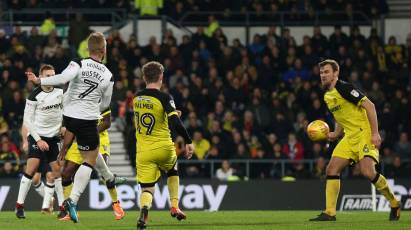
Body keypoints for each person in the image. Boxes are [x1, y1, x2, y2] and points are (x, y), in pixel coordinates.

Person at [26, 32, 114, 223]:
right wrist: (93, 108)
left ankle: (109, 176)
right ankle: (73, 200)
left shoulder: (78, 63)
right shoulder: (108, 74)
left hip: (69, 118)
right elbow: (106, 103)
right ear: (103, 50)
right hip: (88, 120)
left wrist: (40, 81)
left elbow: (64, 78)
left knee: (81, 159)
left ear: (89, 49)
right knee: (89, 160)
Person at [309, 59, 400, 221]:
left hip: (364, 133)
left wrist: (375, 133)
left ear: (336, 73)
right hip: (349, 136)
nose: (323, 75)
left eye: (327, 72)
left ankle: (393, 202)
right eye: (321, 72)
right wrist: (336, 134)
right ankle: (330, 213)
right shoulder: (327, 96)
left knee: (367, 172)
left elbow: (370, 106)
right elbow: (340, 118)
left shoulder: (344, 88)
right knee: (331, 169)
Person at [133, 61, 194, 230]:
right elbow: (175, 123)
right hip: (163, 148)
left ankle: (145, 209)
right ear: (161, 77)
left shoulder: (136, 98)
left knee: (147, 189)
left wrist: (169, 115)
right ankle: (174, 205)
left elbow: (149, 118)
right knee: (173, 169)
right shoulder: (165, 97)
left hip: (143, 151)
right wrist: (188, 141)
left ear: (144, 77)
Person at [16, 64, 65, 219]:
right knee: (31, 169)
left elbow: (68, 111)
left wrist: (64, 127)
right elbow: (27, 121)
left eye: (53, 75)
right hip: (38, 136)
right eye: (48, 76)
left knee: (57, 173)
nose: (51, 78)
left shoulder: (61, 92)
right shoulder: (33, 96)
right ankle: (19, 206)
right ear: (41, 77)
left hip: (54, 138)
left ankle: (62, 207)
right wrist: (38, 139)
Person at [59, 108, 126, 221]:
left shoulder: (100, 98)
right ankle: (70, 210)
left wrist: (90, 132)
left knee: (104, 174)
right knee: (66, 174)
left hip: (100, 138)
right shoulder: (77, 100)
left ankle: (116, 204)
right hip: (79, 139)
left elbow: (106, 122)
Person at [21, 125, 64, 217]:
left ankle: (47, 207)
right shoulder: (32, 113)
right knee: (35, 179)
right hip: (37, 144)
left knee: (51, 176)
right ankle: (50, 200)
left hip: (50, 144)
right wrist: (25, 141)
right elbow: (25, 124)